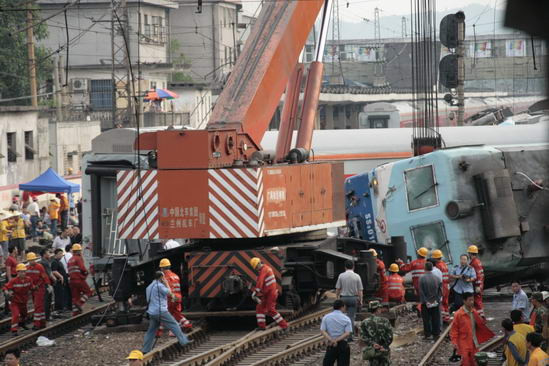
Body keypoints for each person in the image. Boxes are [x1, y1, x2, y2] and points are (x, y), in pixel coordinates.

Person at [142, 271, 191, 354]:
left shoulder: (149, 287)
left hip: (152, 312)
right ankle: (184, 341)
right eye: (163, 277)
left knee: (151, 331)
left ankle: (145, 350)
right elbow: (169, 292)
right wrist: (166, 283)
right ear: (161, 277)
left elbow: (148, 300)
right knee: (174, 324)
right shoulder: (160, 286)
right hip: (161, 311)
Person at [450, 292, 495, 366]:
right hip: (463, 342)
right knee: (466, 362)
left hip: (473, 342)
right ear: (464, 301)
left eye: (473, 300)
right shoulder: (458, 314)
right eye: (470, 300)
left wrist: (483, 318)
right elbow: (454, 329)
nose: (472, 302)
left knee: (474, 362)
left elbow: (481, 323)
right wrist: (454, 342)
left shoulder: (473, 311)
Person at [249, 257, 288, 330]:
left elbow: (260, 282)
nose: (256, 269)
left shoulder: (264, 270)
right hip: (267, 294)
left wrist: (255, 292)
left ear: (258, 264)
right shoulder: (265, 269)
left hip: (271, 294)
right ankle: (262, 326)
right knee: (260, 308)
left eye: (256, 267)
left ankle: (284, 326)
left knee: (271, 310)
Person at [158, 258, 192, 333]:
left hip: (171, 298)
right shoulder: (176, 276)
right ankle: (186, 323)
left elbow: (167, 290)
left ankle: (162, 330)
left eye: (161, 268)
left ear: (162, 268)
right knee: (175, 313)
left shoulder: (165, 277)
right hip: (178, 297)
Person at [359, 301, 393, 366]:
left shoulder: (364, 322)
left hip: (372, 350)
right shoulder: (385, 321)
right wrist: (384, 346)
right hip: (384, 350)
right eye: (380, 308)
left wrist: (372, 344)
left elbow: (363, 336)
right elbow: (390, 336)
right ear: (378, 309)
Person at [335, 259, 363, 336]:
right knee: (351, 317)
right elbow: (360, 290)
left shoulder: (341, 275)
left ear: (345, 267)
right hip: (353, 298)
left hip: (343, 298)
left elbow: (338, 289)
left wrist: (337, 298)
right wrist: (361, 300)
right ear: (353, 267)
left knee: (342, 316)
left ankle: (341, 334)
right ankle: (350, 335)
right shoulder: (357, 276)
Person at [320, 299, 352, 366]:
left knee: (327, 363)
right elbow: (347, 333)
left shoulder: (326, 317)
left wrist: (332, 340)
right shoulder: (346, 318)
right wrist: (336, 340)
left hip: (331, 345)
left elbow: (323, 331)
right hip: (343, 345)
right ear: (342, 307)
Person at [3, 264, 32, 336]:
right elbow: (5, 287)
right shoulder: (14, 281)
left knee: (24, 314)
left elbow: (32, 287)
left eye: (24, 272)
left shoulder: (28, 279)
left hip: (23, 301)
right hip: (15, 302)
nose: (23, 273)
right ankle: (14, 330)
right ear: (18, 272)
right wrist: (7, 292)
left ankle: (22, 324)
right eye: (21, 272)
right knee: (16, 315)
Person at [26, 252, 51, 329]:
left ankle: (36, 324)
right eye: (30, 260)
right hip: (33, 289)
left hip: (40, 289)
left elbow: (44, 277)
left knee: (37, 306)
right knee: (40, 307)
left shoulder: (39, 267)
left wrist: (48, 285)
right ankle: (42, 323)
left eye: (32, 260)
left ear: (35, 260)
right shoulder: (28, 268)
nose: (31, 262)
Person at [67, 244, 92, 316]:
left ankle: (75, 312)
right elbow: (82, 268)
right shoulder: (78, 258)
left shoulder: (70, 260)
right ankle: (80, 303)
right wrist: (87, 273)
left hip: (72, 281)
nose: (81, 252)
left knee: (75, 297)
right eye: (80, 251)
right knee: (88, 292)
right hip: (79, 280)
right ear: (78, 251)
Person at [419, 261, 442, 340]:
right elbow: (440, 291)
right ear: (432, 268)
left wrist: (426, 301)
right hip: (435, 301)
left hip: (426, 303)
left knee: (426, 319)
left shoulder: (421, 278)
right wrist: (437, 300)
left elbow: (421, 291)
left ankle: (428, 334)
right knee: (436, 318)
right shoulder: (437, 278)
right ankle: (436, 333)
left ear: (425, 268)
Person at [431, 249, 451, 323]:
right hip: (447, 285)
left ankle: (443, 318)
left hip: (442, 285)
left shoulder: (438, 266)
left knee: (441, 301)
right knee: (446, 301)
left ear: (435, 258)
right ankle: (447, 316)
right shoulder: (444, 264)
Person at [39, 248, 56, 321]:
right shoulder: (45, 263)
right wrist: (55, 280)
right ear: (44, 254)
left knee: (44, 300)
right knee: (47, 300)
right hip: (47, 284)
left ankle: (45, 316)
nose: (49, 254)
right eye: (48, 253)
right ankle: (47, 317)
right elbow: (50, 274)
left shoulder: (40, 262)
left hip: (42, 284)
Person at [51, 248, 71, 313]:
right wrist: (61, 277)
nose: (62, 255)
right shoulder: (54, 262)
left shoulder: (59, 262)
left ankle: (63, 307)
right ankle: (58, 309)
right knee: (59, 295)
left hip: (63, 282)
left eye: (62, 253)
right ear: (56, 254)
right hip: (59, 282)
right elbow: (54, 271)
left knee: (63, 295)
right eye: (60, 253)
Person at [468, 245, 485, 317]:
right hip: (479, 284)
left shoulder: (474, 263)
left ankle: (480, 317)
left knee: (477, 301)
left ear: (470, 253)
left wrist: (477, 286)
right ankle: (480, 316)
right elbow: (481, 274)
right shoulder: (477, 261)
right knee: (478, 301)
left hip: (477, 285)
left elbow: (478, 275)